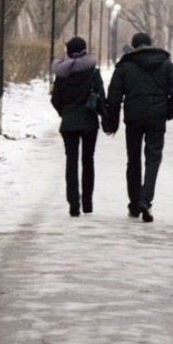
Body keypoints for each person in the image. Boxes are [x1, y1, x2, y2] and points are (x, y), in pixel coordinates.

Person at [106, 32, 173, 222]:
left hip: (133, 117)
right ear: (150, 44)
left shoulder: (125, 66)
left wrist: (112, 123)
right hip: (156, 118)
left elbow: (114, 97)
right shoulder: (165, 64)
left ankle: (134, 204)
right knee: (153, 158)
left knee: (133, 160)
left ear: (133, 46)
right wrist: (168, 112)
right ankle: (145, 200)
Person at [51, 36, 106, 217]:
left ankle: (73, 205)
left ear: (68, 51)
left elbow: (55, 99)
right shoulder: (93, 73)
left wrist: (65, 113)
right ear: (84, 50)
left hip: (68, 124)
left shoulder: (61, 75)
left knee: (71, 162)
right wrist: (106, 119)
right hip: (89, 122)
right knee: (88, 161)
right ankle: (88, 204)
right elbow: (101, 99)